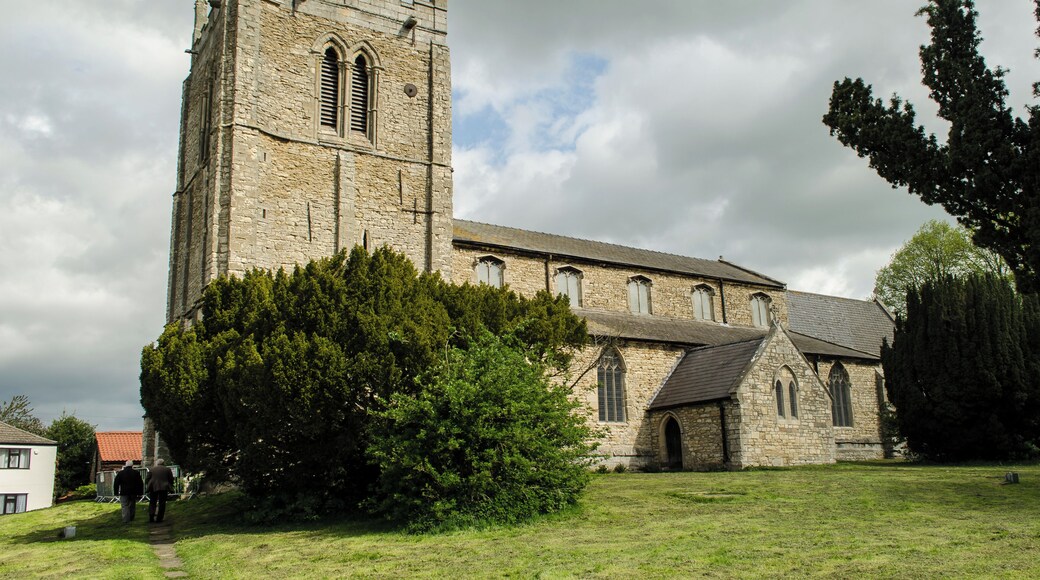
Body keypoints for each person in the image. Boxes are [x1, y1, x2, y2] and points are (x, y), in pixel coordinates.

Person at [146, 459, 176, 523]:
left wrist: (149, 484)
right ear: (163, 463)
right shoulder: (167, 469)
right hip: (164, 487)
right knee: (162, 503)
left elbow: (147, 478)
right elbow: (171, 478)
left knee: (152, 502)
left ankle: (151, 516)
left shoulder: (152, 469)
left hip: (153, 487)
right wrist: (170, 485)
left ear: (157, 463)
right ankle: (159, 518)